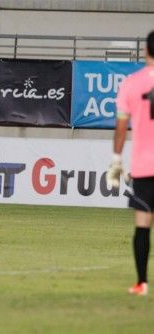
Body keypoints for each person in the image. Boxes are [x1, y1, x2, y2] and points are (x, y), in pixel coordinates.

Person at [107, 30, 154, 296]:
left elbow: (121, 127)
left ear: (146, 50)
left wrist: (116, 160)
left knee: (143, 224)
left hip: (145, 166)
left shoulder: (131, 83)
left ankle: (142, 283)